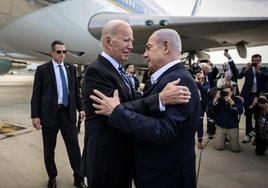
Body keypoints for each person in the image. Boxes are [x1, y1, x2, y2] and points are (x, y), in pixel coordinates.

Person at [82, 20, 191, 188]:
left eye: (131, 41)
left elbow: (125, 107)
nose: (131, 46)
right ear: (108, 41)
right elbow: (114, 113)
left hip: (122, 159)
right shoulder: (97, 71)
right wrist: (159, 99)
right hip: (107, 161)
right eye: (126, 40)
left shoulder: (118, 70)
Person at [31, 40, 87, 188]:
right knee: (49, 149)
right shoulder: (43, 70)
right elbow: (36, 94)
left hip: (68, 114)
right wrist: (35, 115)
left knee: (74, 148)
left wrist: (81, 109)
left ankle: (79, 178)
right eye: (59, 52)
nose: (62, 54)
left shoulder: (71, 69)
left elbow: (76, 92)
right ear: (52, 52)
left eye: (64, 52)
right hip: (49, 115)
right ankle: (52, 177)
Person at [238, 54, 268, 143]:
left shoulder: (264, 69)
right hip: (248, 96)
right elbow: (239, 76)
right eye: (253, 60)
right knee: (248, 116)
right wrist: (245, 69)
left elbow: (267, 77)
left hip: (259, 95)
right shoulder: (248, 69)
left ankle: (257, 137)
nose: (255, 62)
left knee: (258, 116)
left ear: (260, 61)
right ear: (251, 61)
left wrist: (259, 71)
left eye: (257, 60)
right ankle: (247, 135)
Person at [209, 84, 243, 152]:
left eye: (227, 92)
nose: (225, 94)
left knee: (235, 149)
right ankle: (222, 138)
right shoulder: (219, 100)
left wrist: (231, 102)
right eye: (224, 92)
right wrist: (216, 98)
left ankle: (229, 139)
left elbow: (240, 111)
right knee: (219, 147)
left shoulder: (237, 100)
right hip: (221, 126)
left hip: (232, 127)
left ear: (232, 92)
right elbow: (209, 109)